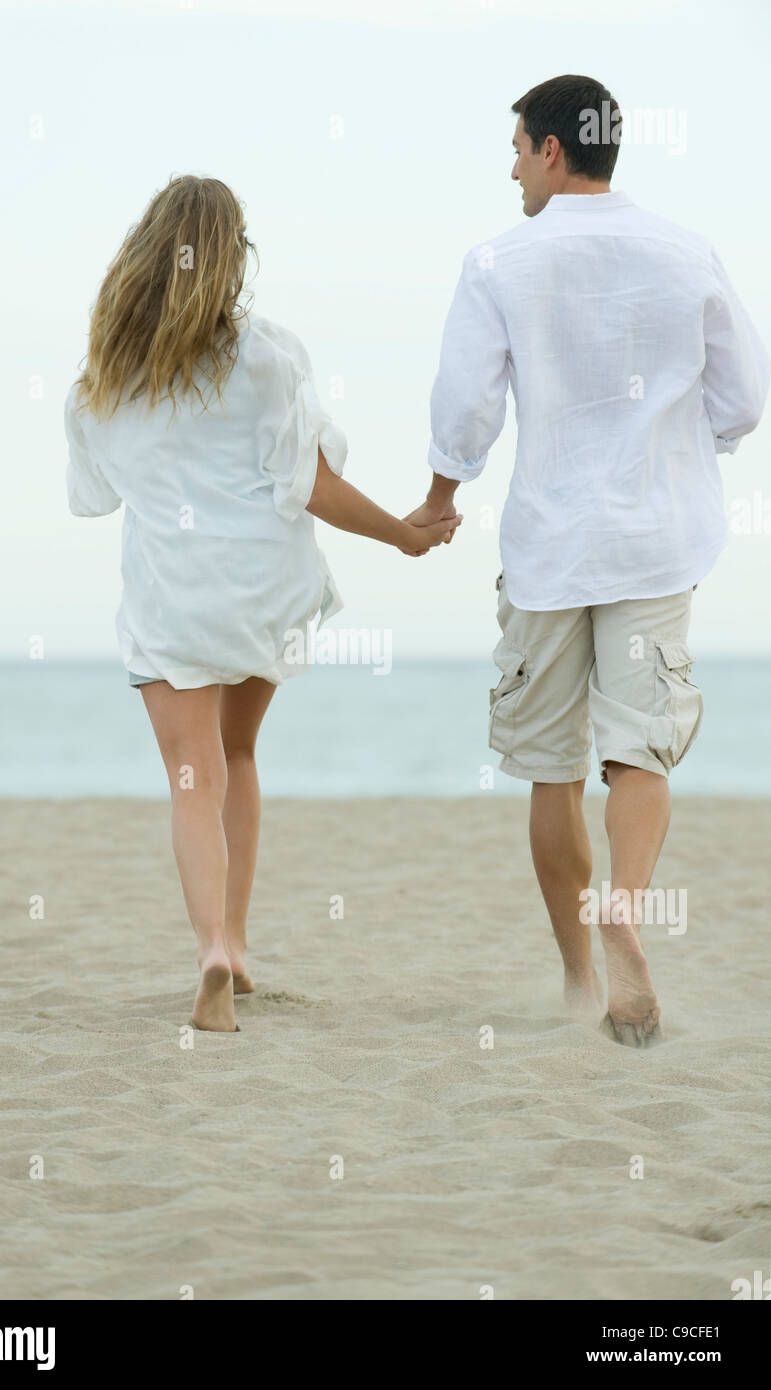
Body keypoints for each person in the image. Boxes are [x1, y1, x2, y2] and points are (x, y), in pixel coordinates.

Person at [406, 75, 768, 1046]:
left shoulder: (500, 261)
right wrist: (682, 450)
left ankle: (577, 976)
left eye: (518, 147)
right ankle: (629, 904)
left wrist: (441, 498)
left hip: (550, 547)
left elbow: (466, 403)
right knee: (640, 743)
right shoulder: (687, 249)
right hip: (658, 540)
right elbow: (743, 398)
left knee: (550, 766)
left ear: (555, 151)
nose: (512, 166)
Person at [65, 175, 461, 1032]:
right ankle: (237, 948)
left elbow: (96, 491)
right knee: (238, 758)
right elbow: (310, 484)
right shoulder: (268, 353)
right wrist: (403, 532)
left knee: (189, 779)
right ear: (230, 256)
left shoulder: (107, 371)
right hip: (260, 593)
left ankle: (208, 947)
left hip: (172, 600)